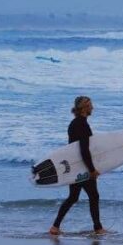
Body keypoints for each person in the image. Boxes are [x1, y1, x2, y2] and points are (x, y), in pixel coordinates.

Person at [50, 96, 104, 236]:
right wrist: (91, 169)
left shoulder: (76, 123)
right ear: (84, 107)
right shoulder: (82, 125)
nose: (93, 107)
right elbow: (84, 149)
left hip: (76, 166)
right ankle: (98, 228)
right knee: (93, 196)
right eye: (90, 105)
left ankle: (55, 227)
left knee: (73, 197)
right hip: (82, 166)